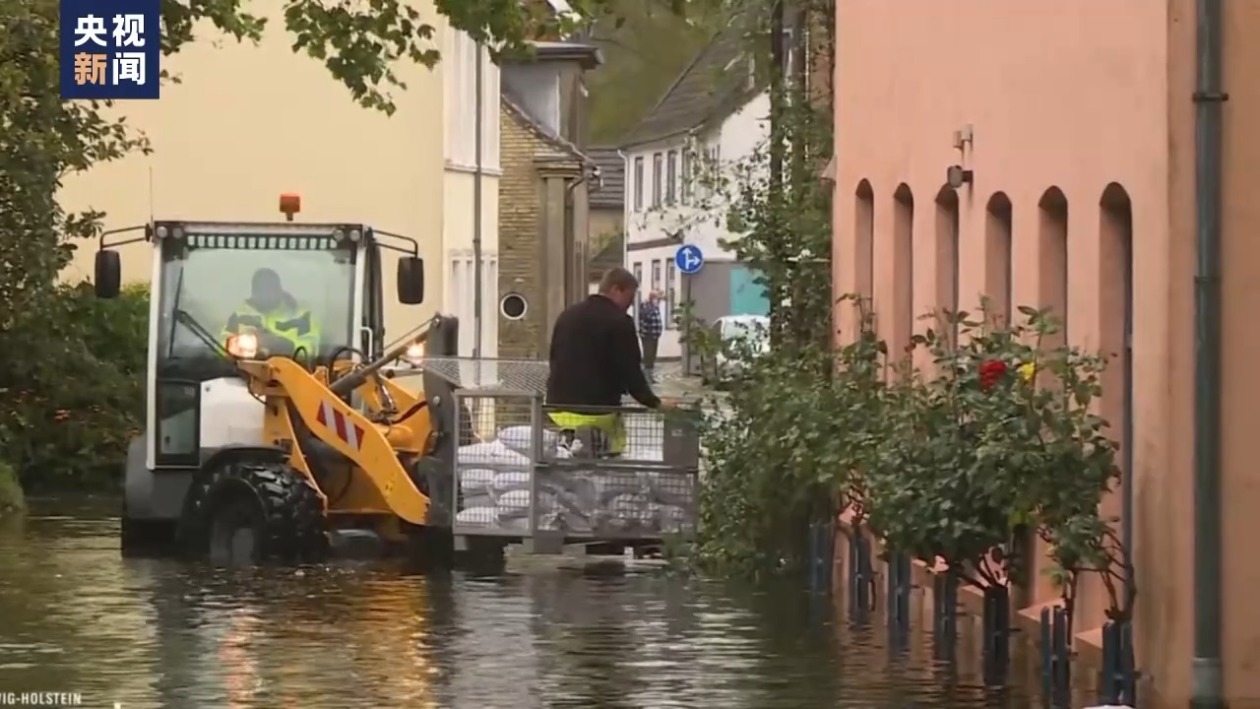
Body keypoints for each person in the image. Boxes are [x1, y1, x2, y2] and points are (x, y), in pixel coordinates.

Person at [546, 267, 676, 456]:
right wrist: (655, 403)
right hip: (599, 412)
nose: (629, 305)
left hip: (557, 408)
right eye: (629, 298)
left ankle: (569, 449)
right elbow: (631, 373)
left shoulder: (567, 316)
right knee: (615, 450)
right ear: (616, 289)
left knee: (562, 457)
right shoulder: (620, 322)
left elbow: (554, 357)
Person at [222, 268, 321, 358]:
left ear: (279, 289)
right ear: (253, 291)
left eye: (270, 288)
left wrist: (283, 345)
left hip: (292, 373)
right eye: (261, 288)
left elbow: (311, 350)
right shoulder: (239, 316)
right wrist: (241, 346)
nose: (265, 293)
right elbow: (220, 346)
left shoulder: (301, 316)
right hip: (242, 372)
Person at [638, 289, 663, 383]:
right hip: (647, 335)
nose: (659, 300)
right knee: (648, 355)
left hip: (655, 335)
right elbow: (645, 316)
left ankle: (650, 377)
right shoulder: (646, 305)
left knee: (652, 356)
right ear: (652, 297)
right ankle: (645, 377)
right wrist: (654, 307)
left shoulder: (654, 306)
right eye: (657, 298)